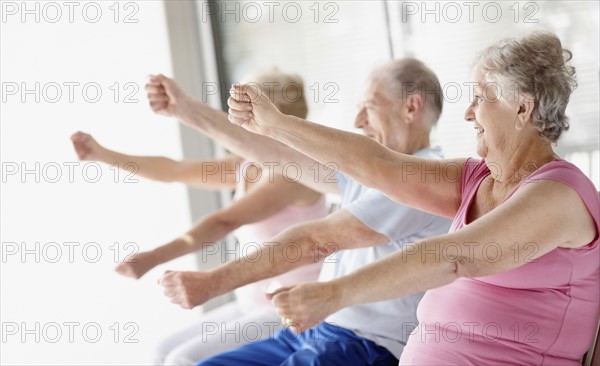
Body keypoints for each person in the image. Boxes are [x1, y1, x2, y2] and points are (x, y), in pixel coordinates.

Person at [227, 31, 600, 365]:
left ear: (522, 107)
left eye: (480, 98)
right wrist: (275, 125)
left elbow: (453, 257)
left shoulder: (558, 195)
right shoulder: (478, 178)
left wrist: (335, 293)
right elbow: (378, 163)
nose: (469, 113)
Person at [151, 59, 452, 365]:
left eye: (370, 107)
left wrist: (212, 283)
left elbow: (314, 241)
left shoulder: (422, 178)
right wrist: (187, 110)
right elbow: (280, 156)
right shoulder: (375, 172)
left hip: (366, 343)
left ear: (411, 108)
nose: (358, 120)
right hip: (317, 328)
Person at [71, 70, 329, 365]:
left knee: (183, 360)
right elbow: (173, 171)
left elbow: (224, 222)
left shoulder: (291, 175)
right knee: (162, 351)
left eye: (242, 109)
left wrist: (153, 257)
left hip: (291, 307)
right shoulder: (247, 165)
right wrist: (103, 154)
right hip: (251, 304)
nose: (230, 117)